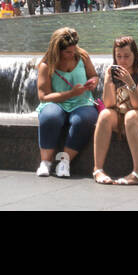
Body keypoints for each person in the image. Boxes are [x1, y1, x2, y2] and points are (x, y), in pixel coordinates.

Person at [91, 35, 138, 185]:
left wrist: (130, 82)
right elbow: (109, 103)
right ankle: (98, 170)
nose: (122, 60)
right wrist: (108, 82)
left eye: (126, 56)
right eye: (118, 56)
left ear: (135, 54)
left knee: (132, 116)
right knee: (105, 115)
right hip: (123, 113)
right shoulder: (112, 70)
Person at [35, 27, 99, 178]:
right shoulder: (46, 65)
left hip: (82, 102)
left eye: (74, 50)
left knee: (83, 120)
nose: (72, 54)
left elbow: (94, 75)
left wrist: (93, 82)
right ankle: (46, 162)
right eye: (68, 52)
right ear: (57, 51)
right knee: (50, 117)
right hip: (56, 103)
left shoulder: (82, 56)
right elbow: (43, 96)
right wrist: (70, 93)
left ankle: (64, 161)